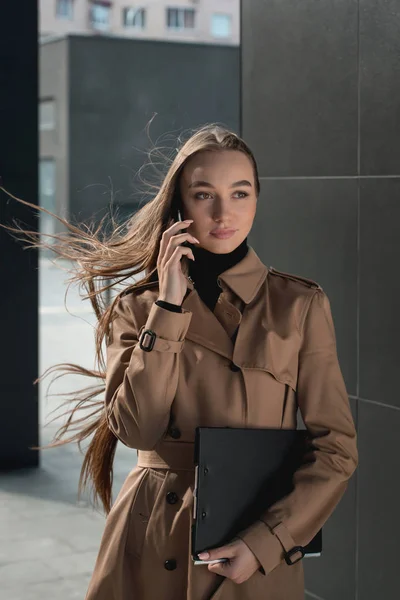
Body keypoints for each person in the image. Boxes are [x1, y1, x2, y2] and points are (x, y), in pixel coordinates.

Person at [1, 124, 358, 600]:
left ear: (257, 199)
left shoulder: (298, 305)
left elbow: (335, 449)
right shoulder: (136, 307)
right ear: (179, 205)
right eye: (203, 194)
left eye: (240, 193)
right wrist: (168, 309)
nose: (223, 212)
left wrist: (268, 540)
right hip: (151, 539)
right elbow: (136, 430)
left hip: (251, 547)